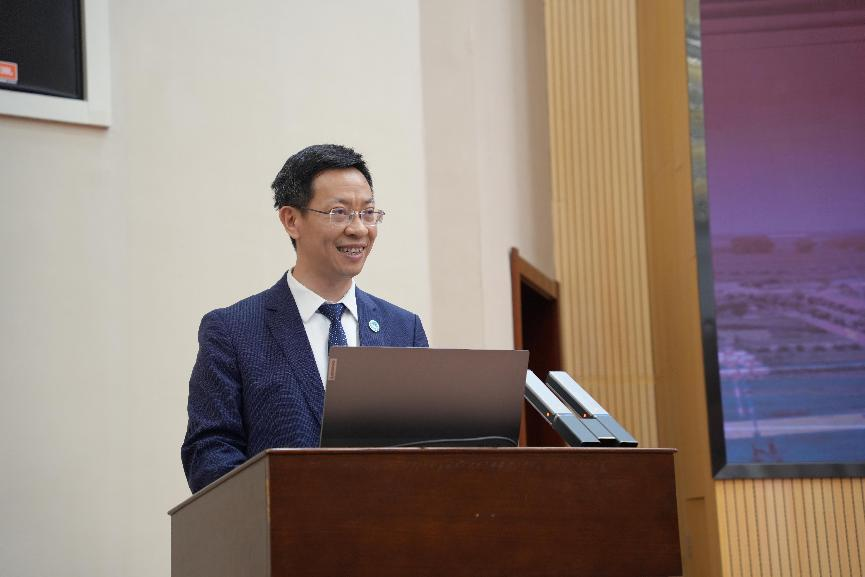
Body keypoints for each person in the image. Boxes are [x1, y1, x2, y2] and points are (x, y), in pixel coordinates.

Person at [181, 144, 429, 492]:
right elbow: (209, 452)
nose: (359, 229)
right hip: (283, 524)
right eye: (339, 213)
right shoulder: (232, 330)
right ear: (291, 220)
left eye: (368, 212)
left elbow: (427, 447)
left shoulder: (404, 329)